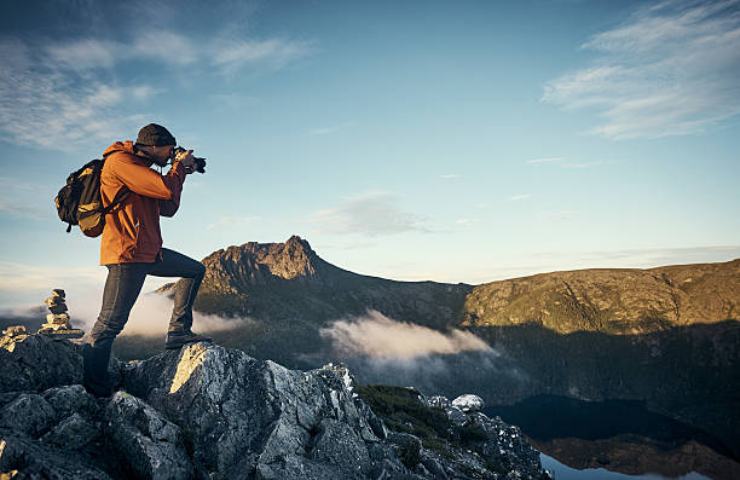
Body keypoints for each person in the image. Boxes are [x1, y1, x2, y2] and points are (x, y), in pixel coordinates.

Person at [83, 123, 212, 397]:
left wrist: (182, 173)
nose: (171, 155)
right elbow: (166, 190)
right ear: (153, 146)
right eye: (169, 149)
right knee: (109, 324)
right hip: (127, 254)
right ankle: (95, 388)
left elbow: (168, 207)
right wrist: (177, 169)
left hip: (150, 251)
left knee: (194, 270)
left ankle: (178, 332)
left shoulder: (144, 172)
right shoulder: (120, 163)